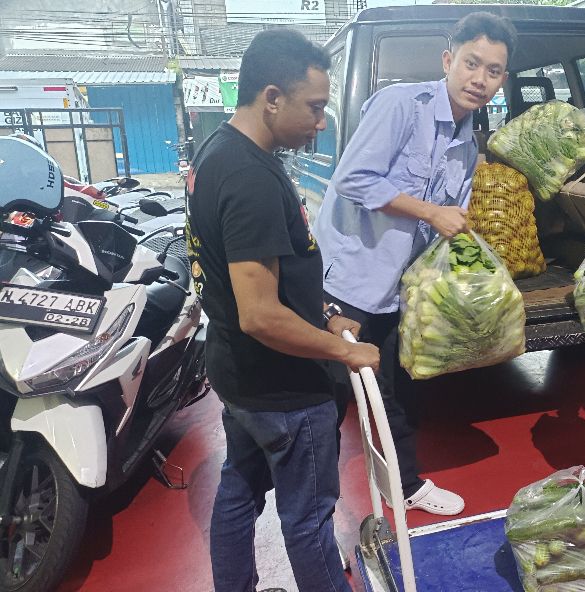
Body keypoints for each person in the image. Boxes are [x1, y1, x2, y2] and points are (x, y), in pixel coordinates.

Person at [185, 29, 379, 591]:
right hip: (283, 388)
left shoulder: (222, 150)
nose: (321, 122)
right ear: (272, 97)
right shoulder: (249, 177)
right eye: (314, 107)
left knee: (240, 486)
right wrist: (344, 349)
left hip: (240, 375)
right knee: (308, 518)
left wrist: (323, 311)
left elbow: (273, 274)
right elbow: (261, 315)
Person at [314, 12, 517, 515]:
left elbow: (446, 223)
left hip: (399, 287)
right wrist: (431, 212)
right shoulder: (402, 105)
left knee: (400, 392)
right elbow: (354, 180)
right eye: (471, 63)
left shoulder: (468, 141)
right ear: (449, 60)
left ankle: (404, 485)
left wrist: (470, 274)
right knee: (333, 401)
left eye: (493, 71)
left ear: (503, 79)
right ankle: (317, 510)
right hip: (351, 282)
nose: (479, 79)